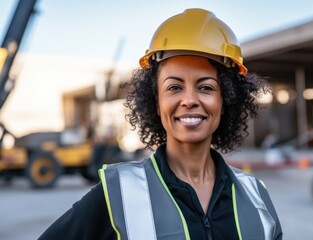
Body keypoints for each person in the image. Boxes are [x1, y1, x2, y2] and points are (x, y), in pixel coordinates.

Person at [39, 8, 282, 240]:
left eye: (206, 87)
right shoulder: (118, 193)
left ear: (225, 100)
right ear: (156, 102)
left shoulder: (256, 196)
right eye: (174, 87)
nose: (189, 100)